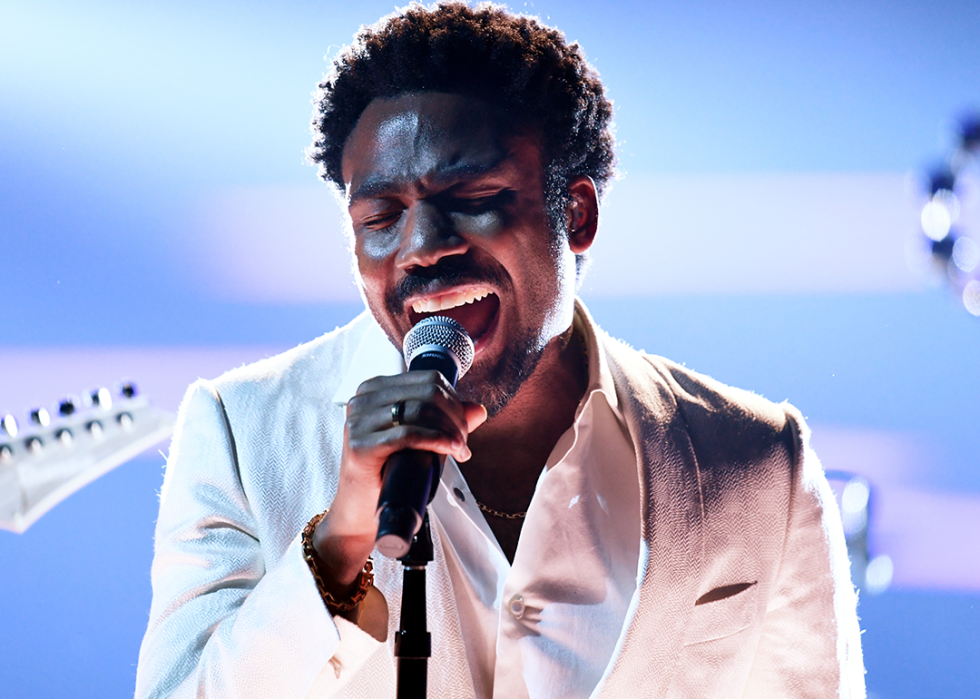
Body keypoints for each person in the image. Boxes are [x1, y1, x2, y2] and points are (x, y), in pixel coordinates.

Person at [135, 3, 865, 698]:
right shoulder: (241, 431)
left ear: (575, 216)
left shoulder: (759, 458)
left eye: (473, 196)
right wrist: (339, 540)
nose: (421, 248)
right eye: (382, 216)